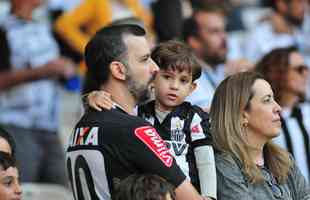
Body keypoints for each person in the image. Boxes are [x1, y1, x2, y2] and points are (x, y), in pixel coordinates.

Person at [67, 24, 207, 200]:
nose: (155, 68)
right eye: (144, 59)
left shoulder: (81, 126)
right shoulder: (134, 129)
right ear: (119, 70)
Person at [0, 0, 75, 185]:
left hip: (49, 125)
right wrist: (42, 71)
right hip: (16, 125)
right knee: (20, 188)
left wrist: (65, 69)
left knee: (60, 192)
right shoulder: (3, 30)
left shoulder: (44, 26)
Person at [209, 71, 310, 199]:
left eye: (274, 99)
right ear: (242, 114)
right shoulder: (224, 163)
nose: (278, 108)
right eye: (267, 100)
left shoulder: (284, 159)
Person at [182, 3, 252, 110]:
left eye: (224, 30)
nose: (224, 37)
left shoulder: (221, 68)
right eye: (215, 32)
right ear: (194, 41)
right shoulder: (186, 78)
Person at [256, 46, 310, 182]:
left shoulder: (307, 112)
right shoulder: (260, 118)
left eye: (306, 68)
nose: (305, 74)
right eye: (299, 69)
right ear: (278, 72)